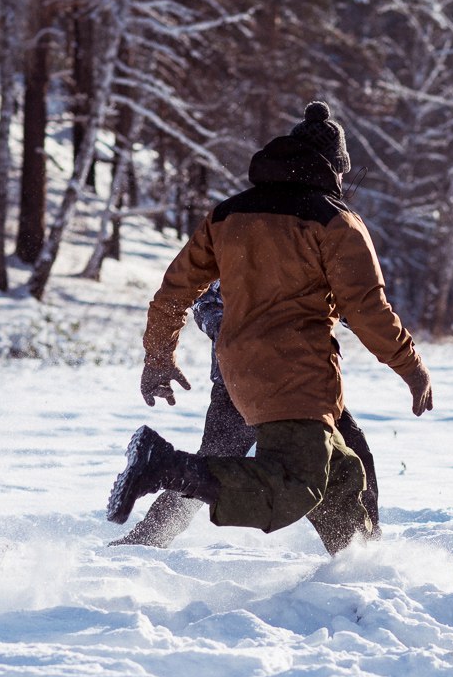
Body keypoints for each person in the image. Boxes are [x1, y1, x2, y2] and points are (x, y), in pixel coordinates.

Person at [106, 101, 432, 555]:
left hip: (239, 372)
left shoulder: (228, 214)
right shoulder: (333, 221)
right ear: (333, 169)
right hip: (295, 373)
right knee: (294, 484)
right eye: (341, 174)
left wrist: (159, 356)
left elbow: (174, 292)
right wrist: (412, 367)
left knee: (345, 468)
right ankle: (159, 469)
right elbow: (367, 309)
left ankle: (360, 561)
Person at [111, 281, 382, 548]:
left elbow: (346, 302)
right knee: (212, 462)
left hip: (304, 382)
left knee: (354, 454)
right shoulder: (238, 243)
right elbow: (204, 299)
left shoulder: (309, 248)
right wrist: (238, 339)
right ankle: (151, 536)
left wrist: (372, 325)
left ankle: (365, 547)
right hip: (241, 383)